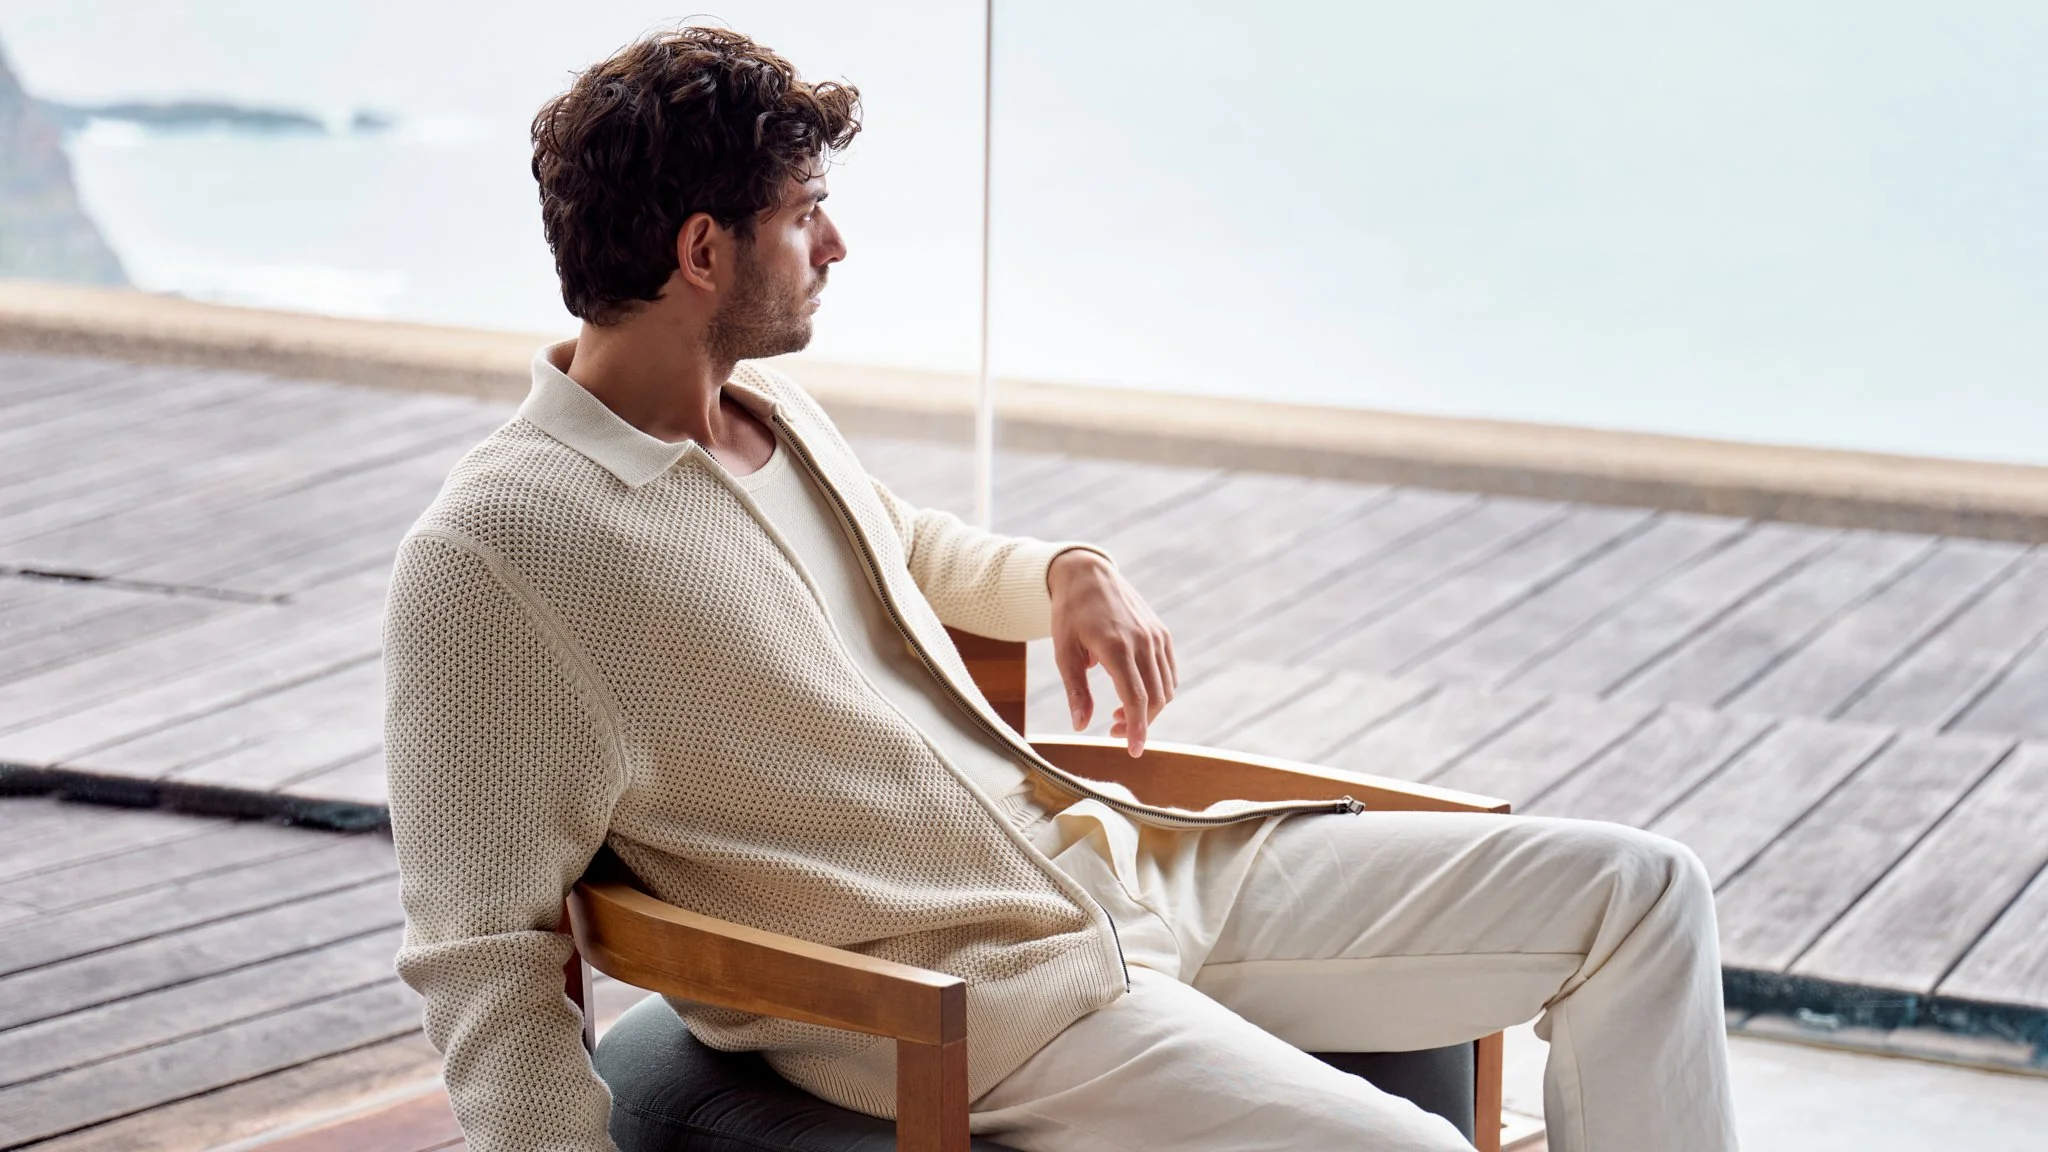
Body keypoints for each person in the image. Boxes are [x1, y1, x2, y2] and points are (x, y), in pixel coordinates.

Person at [383, 25, 1739, 1152]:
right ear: (701, 253)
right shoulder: (500, 554)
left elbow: (903, 552)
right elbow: (481, 955)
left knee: (1644, 894)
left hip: (1124, 862)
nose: (835, 245)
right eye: (803, 216)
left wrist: (1065, 575)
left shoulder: (767, 416)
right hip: (989, 997)